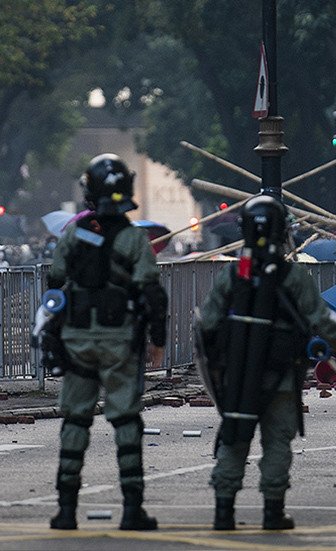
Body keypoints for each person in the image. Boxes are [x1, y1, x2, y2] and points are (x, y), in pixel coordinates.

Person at [198, 194, 336, 531]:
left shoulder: (233, 275)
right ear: (284, 231)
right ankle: (272, 512)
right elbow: (321, 321)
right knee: (277, 442)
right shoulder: (294, 277)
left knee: (235, 436)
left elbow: (207, 324)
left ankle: (223, 512)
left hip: (238, 376)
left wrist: (220, 365)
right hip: (282, 375)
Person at [47, 154, 168, 531]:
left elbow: (54, 281)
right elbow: (153, 295)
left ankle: (66, 511)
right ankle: (132, 510)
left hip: (77, 340)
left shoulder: (74, 234)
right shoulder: (134, 239)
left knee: (76, 420)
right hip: (121, 341)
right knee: (126, 421)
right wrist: (158, 341)